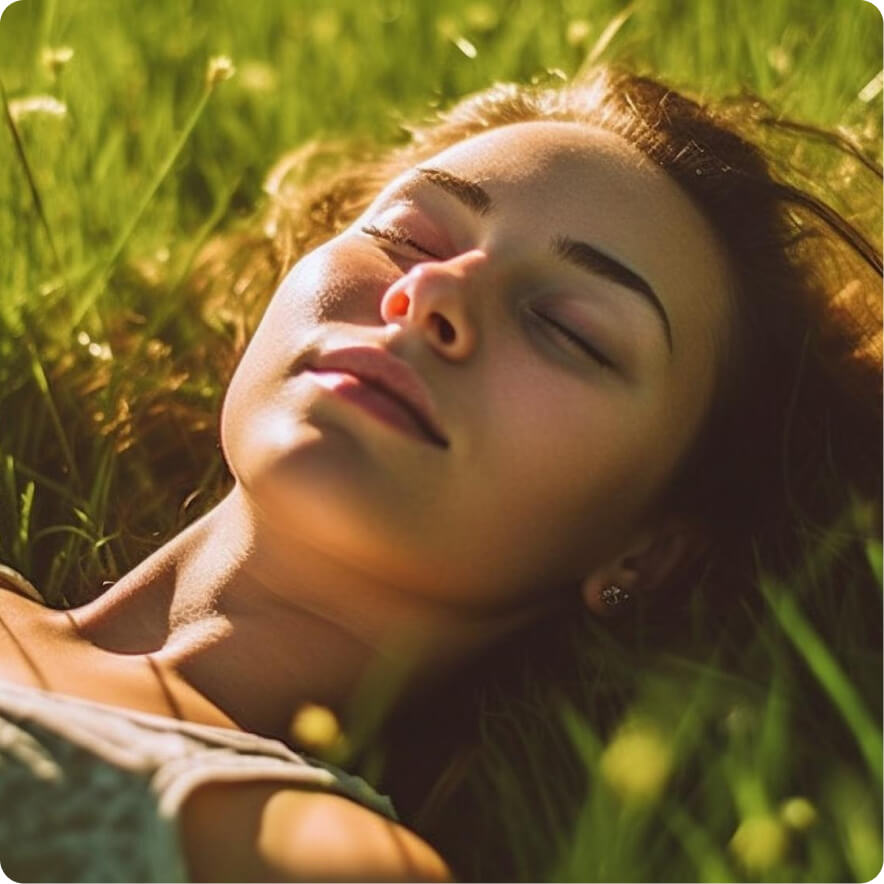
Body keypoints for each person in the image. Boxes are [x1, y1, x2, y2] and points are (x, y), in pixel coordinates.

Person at [0, 62, 880, 882]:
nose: (433, 295)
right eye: (407, 236)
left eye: (569, 329)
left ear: (644, 553)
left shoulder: (318, 856)